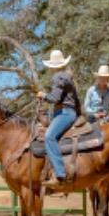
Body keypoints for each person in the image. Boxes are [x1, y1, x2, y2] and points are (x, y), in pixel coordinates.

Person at [35, 48, 82, 186]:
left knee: (49, 136)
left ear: (52, 66)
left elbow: (55, 99)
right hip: (65, 112)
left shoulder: (58, 77)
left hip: (65, 113)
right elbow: (75, 100)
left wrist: (42, 95)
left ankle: (60, 174)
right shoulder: (67, 76)